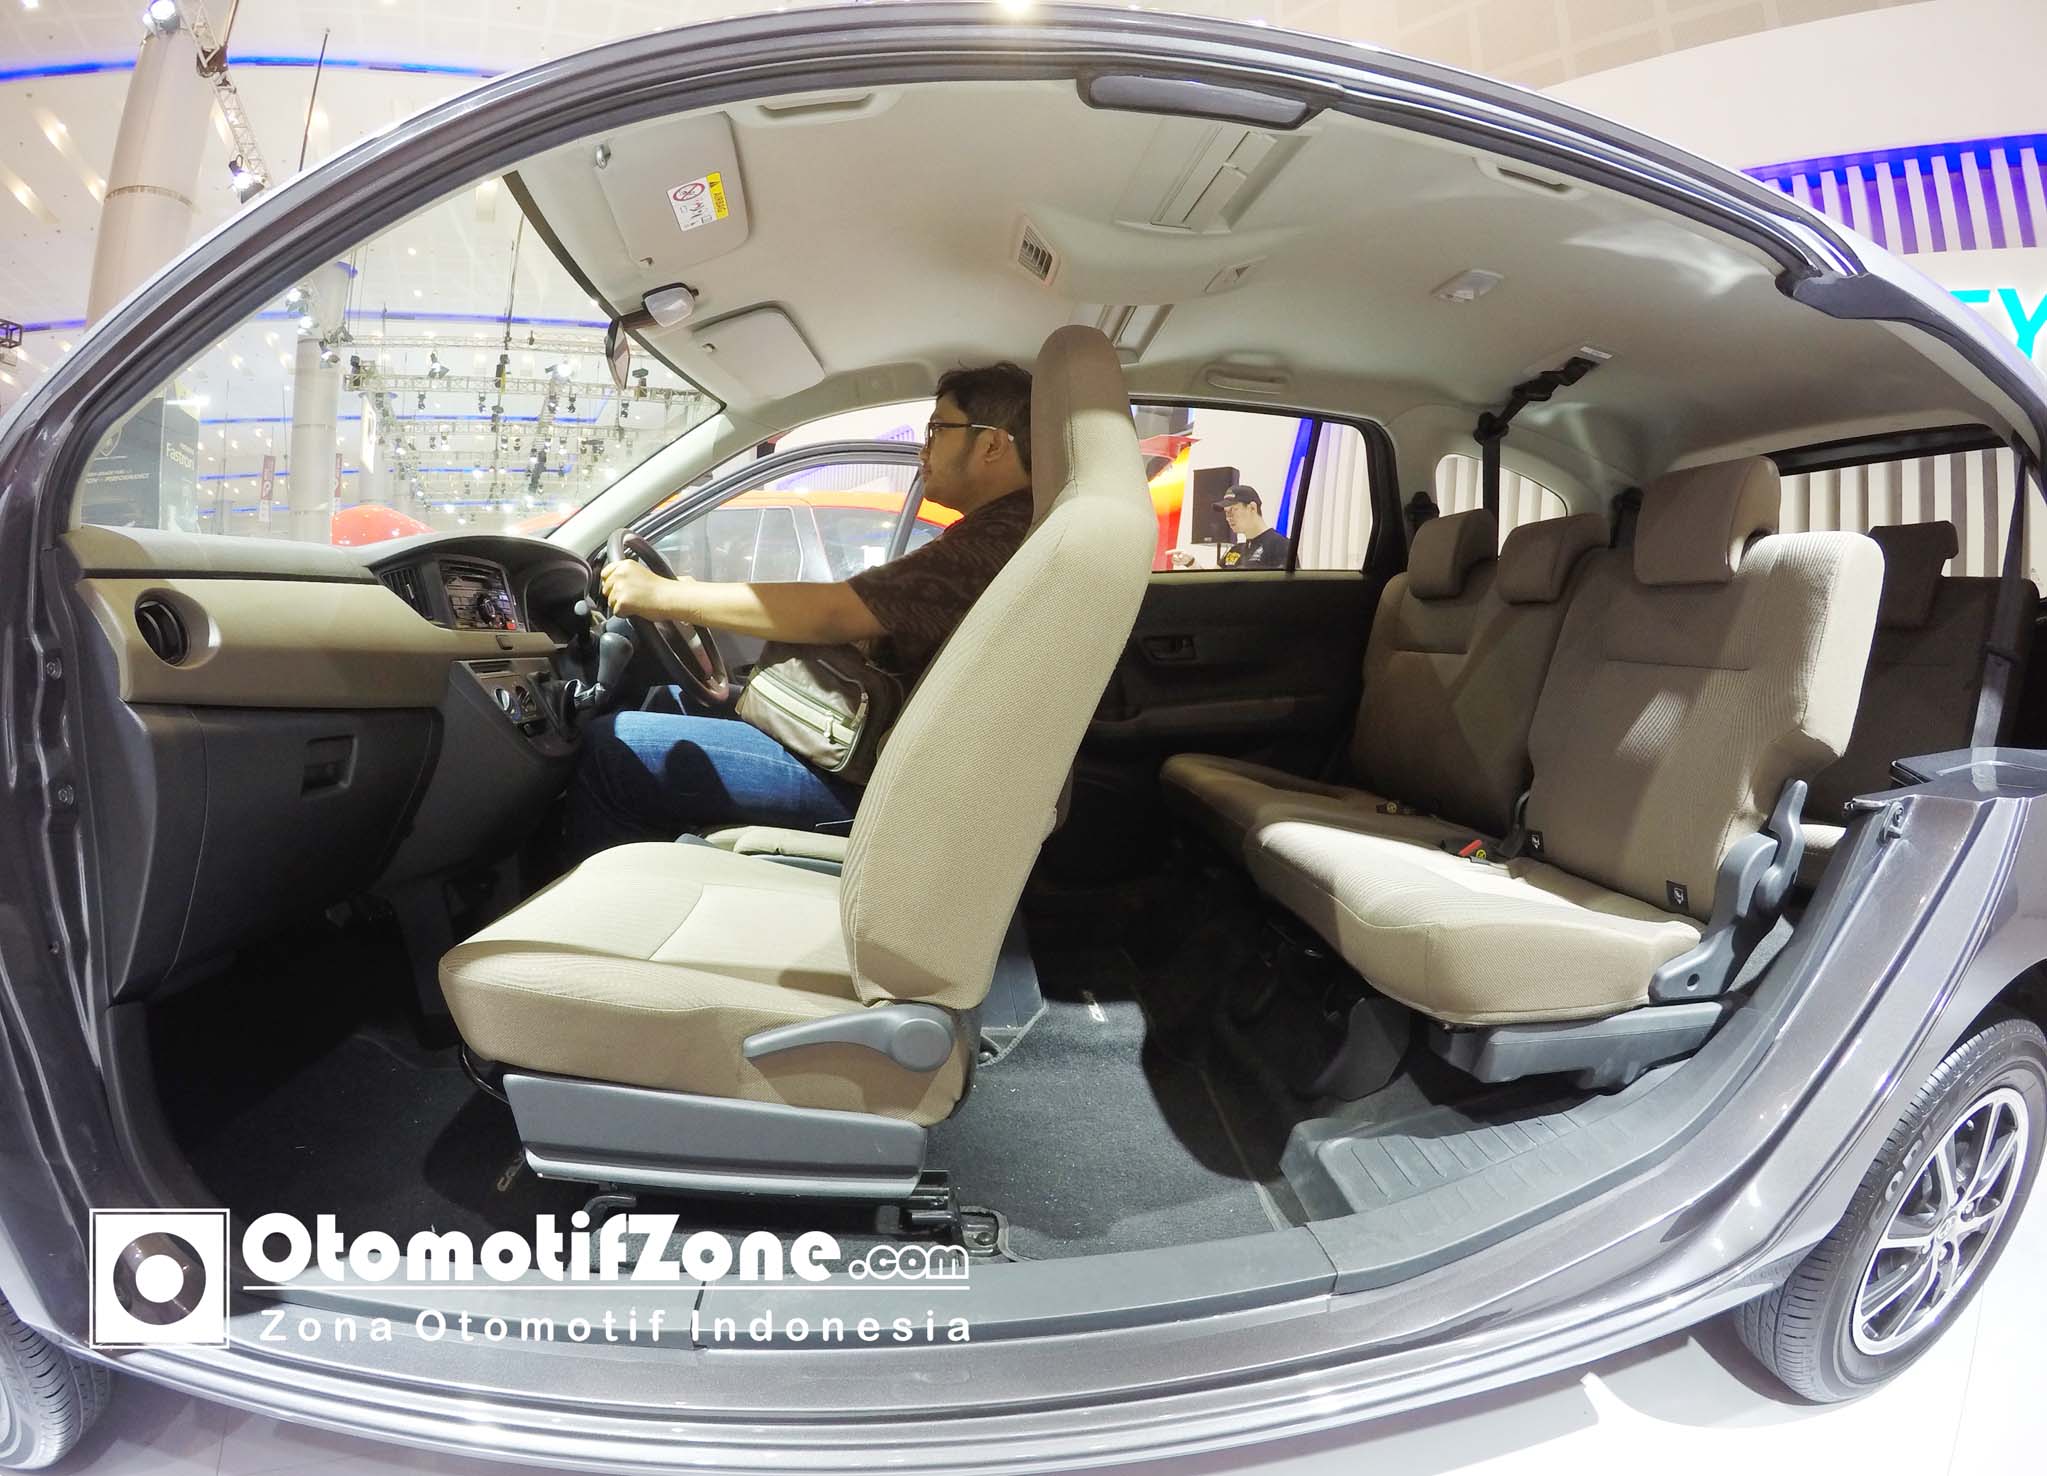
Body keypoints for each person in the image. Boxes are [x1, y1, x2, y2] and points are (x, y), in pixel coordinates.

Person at [565, 363, 1036, 859]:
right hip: (890, 756)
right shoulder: (1009, 529)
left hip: (883, 788)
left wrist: (665, 596)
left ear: (991, 444)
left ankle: (594, 903)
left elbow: (835, 611)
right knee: (665, 700)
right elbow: (865, 612)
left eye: (938, 429)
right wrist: (691, 594)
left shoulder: (997, 540)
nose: (925, 447)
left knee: (610, 750)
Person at [1214, 485, 1288, 568]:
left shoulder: (1280, 546)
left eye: (1234, 509)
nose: (1228, 517)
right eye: (1226, 512)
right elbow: (1211, 575)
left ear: (1252, 508)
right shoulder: (1234, 551)